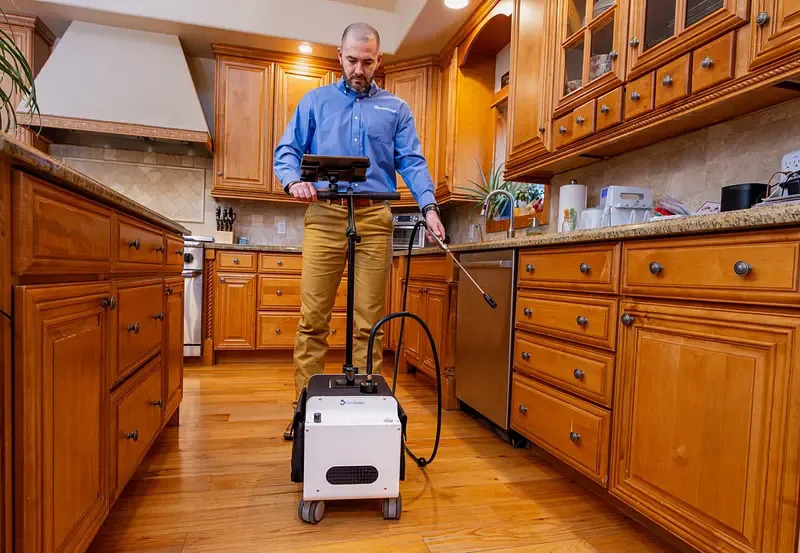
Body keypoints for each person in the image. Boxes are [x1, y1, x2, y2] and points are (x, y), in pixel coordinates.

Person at [274, 22, 446, 439]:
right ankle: (304, 416)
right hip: (325, 215)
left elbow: (413, 161)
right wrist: (292, 180)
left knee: (369, 326)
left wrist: (429, 205)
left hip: (374, 217)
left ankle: (367, 416)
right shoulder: (314, 102)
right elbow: (287, 152)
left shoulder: (396, 109)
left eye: (368, 62)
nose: (359, 68)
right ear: (340, 56)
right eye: (352, 60)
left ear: (378, 61)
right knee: (313, 319)